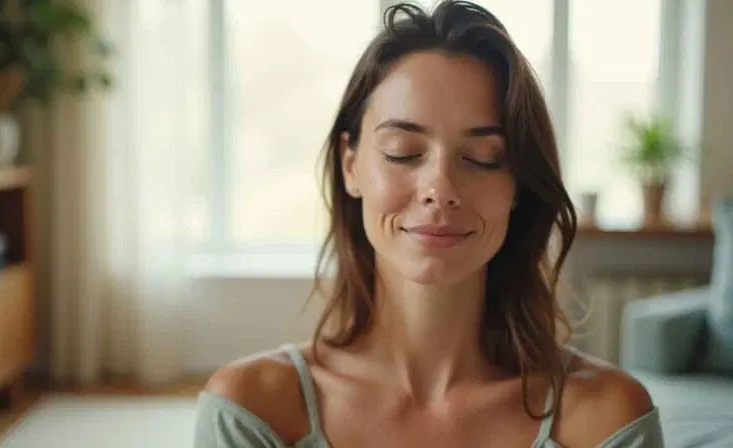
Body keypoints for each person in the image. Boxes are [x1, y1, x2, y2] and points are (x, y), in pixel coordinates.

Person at [194, 1, 664, 447]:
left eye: (482, 158)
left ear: (518, 183)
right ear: (351, 165)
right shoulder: (255, 409)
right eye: (403, 152)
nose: (440, 187)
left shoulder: (605, 419)